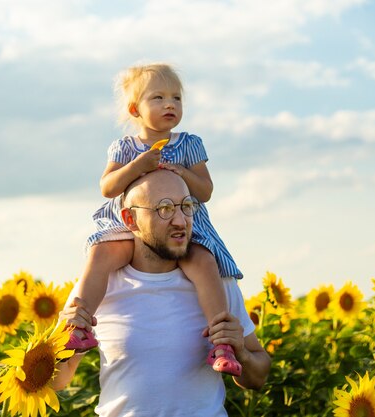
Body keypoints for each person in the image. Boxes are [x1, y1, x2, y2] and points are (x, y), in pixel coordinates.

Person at [65, 63, 244, 375]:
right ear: (136, 109)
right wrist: (137, 166)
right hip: (129, 225)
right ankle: (78, 327)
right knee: (100, 254)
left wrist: (182, 172)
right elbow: (108, 188)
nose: (170, 104)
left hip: (186, 223)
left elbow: (205, 190)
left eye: (176, 97)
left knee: (204, 262)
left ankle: (221, 342)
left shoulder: (189, 143)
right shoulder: (125, 147)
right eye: (158, 98)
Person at [55, 169, 271, 417]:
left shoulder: (217, 285)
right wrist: (60, 349)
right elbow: (58, 381)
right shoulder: (98, 286)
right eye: (164, 209)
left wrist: (241, 352)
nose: (180, 220)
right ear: (130, 219)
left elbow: (258, 378)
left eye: (186, 206)